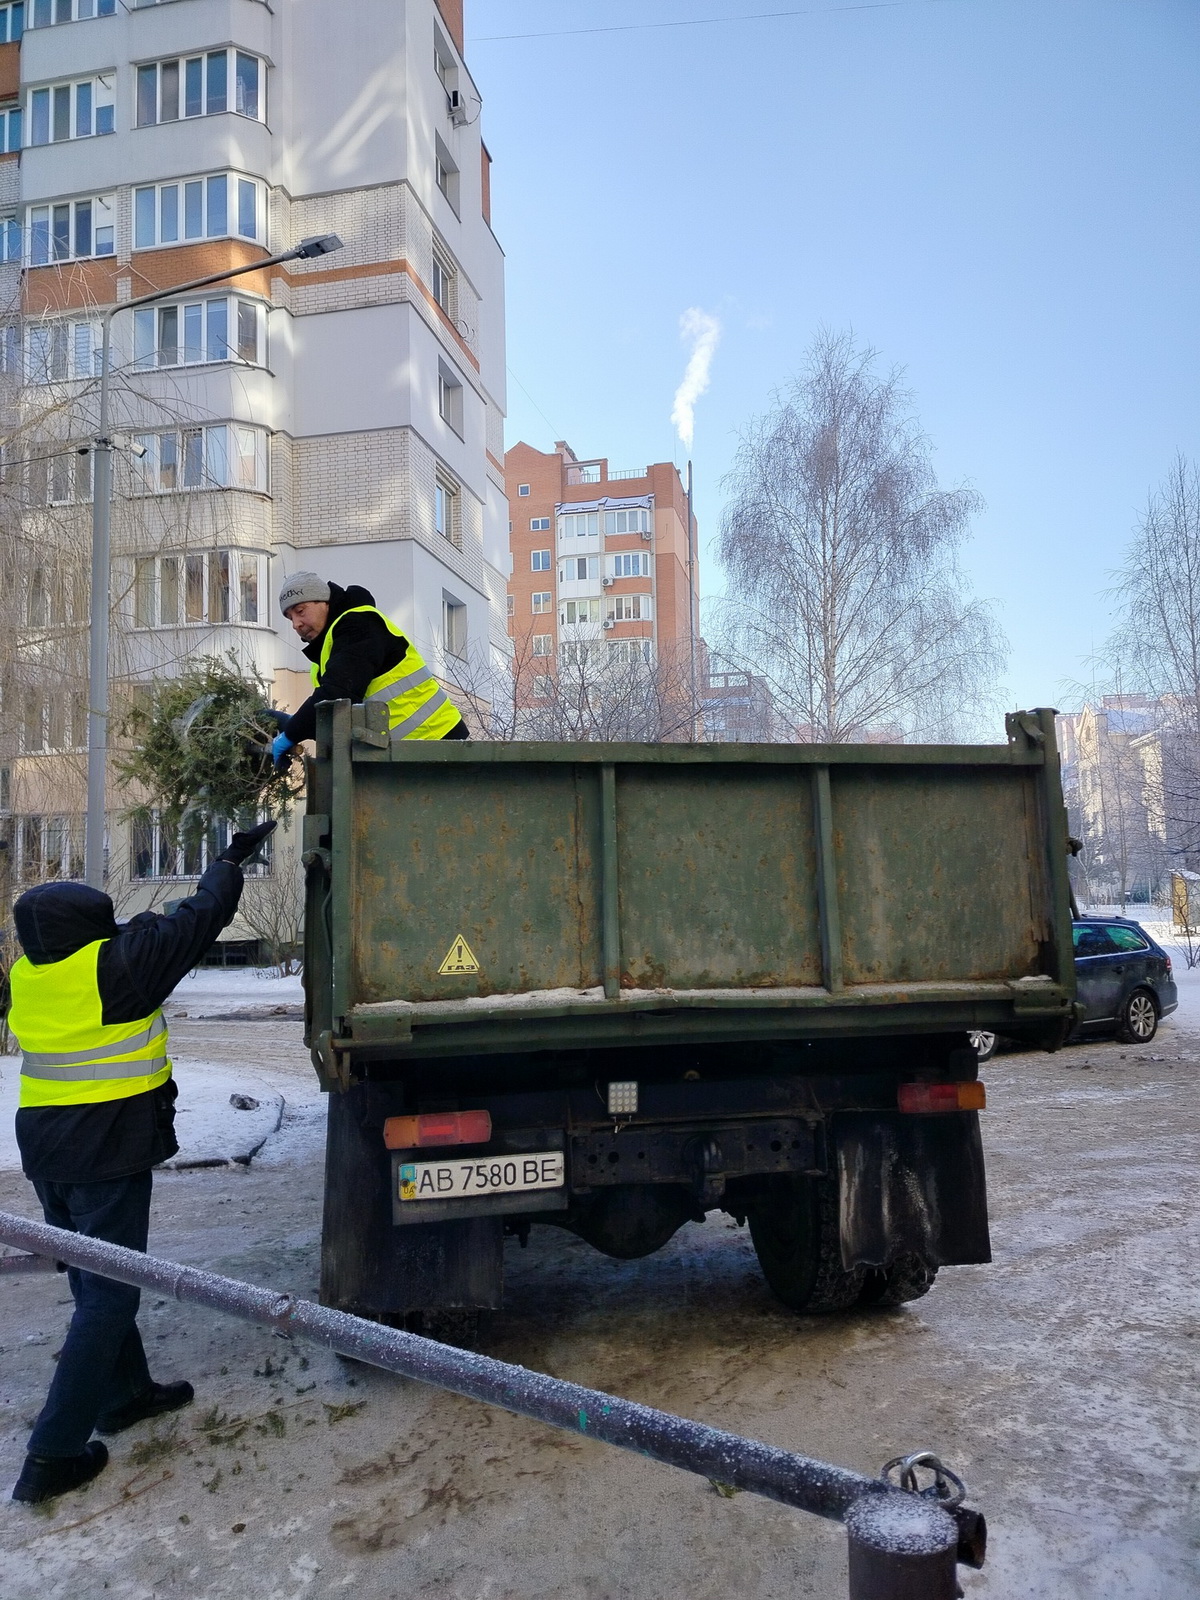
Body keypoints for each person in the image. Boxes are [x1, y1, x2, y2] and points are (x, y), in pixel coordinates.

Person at [7, 818, 276, 1506]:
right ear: (93, 935)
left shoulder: (30, 973)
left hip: (45, 1147)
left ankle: (125, 1395)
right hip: (103, 1146)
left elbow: (135, 935)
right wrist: (227, 857)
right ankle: (52, 1454)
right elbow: (198, 917)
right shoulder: (117, 969)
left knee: (95, 1273)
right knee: (109, 1293)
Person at [269, 573, 469, 765]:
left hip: (437, 744)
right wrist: (294, 724)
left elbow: (337, 694)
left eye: (300, 611)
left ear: (324, 601)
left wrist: (291, 732)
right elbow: (337, 716)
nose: (296, 624)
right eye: (290, 618)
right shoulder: (328, 651)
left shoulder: (358, 625)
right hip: (407, 754)